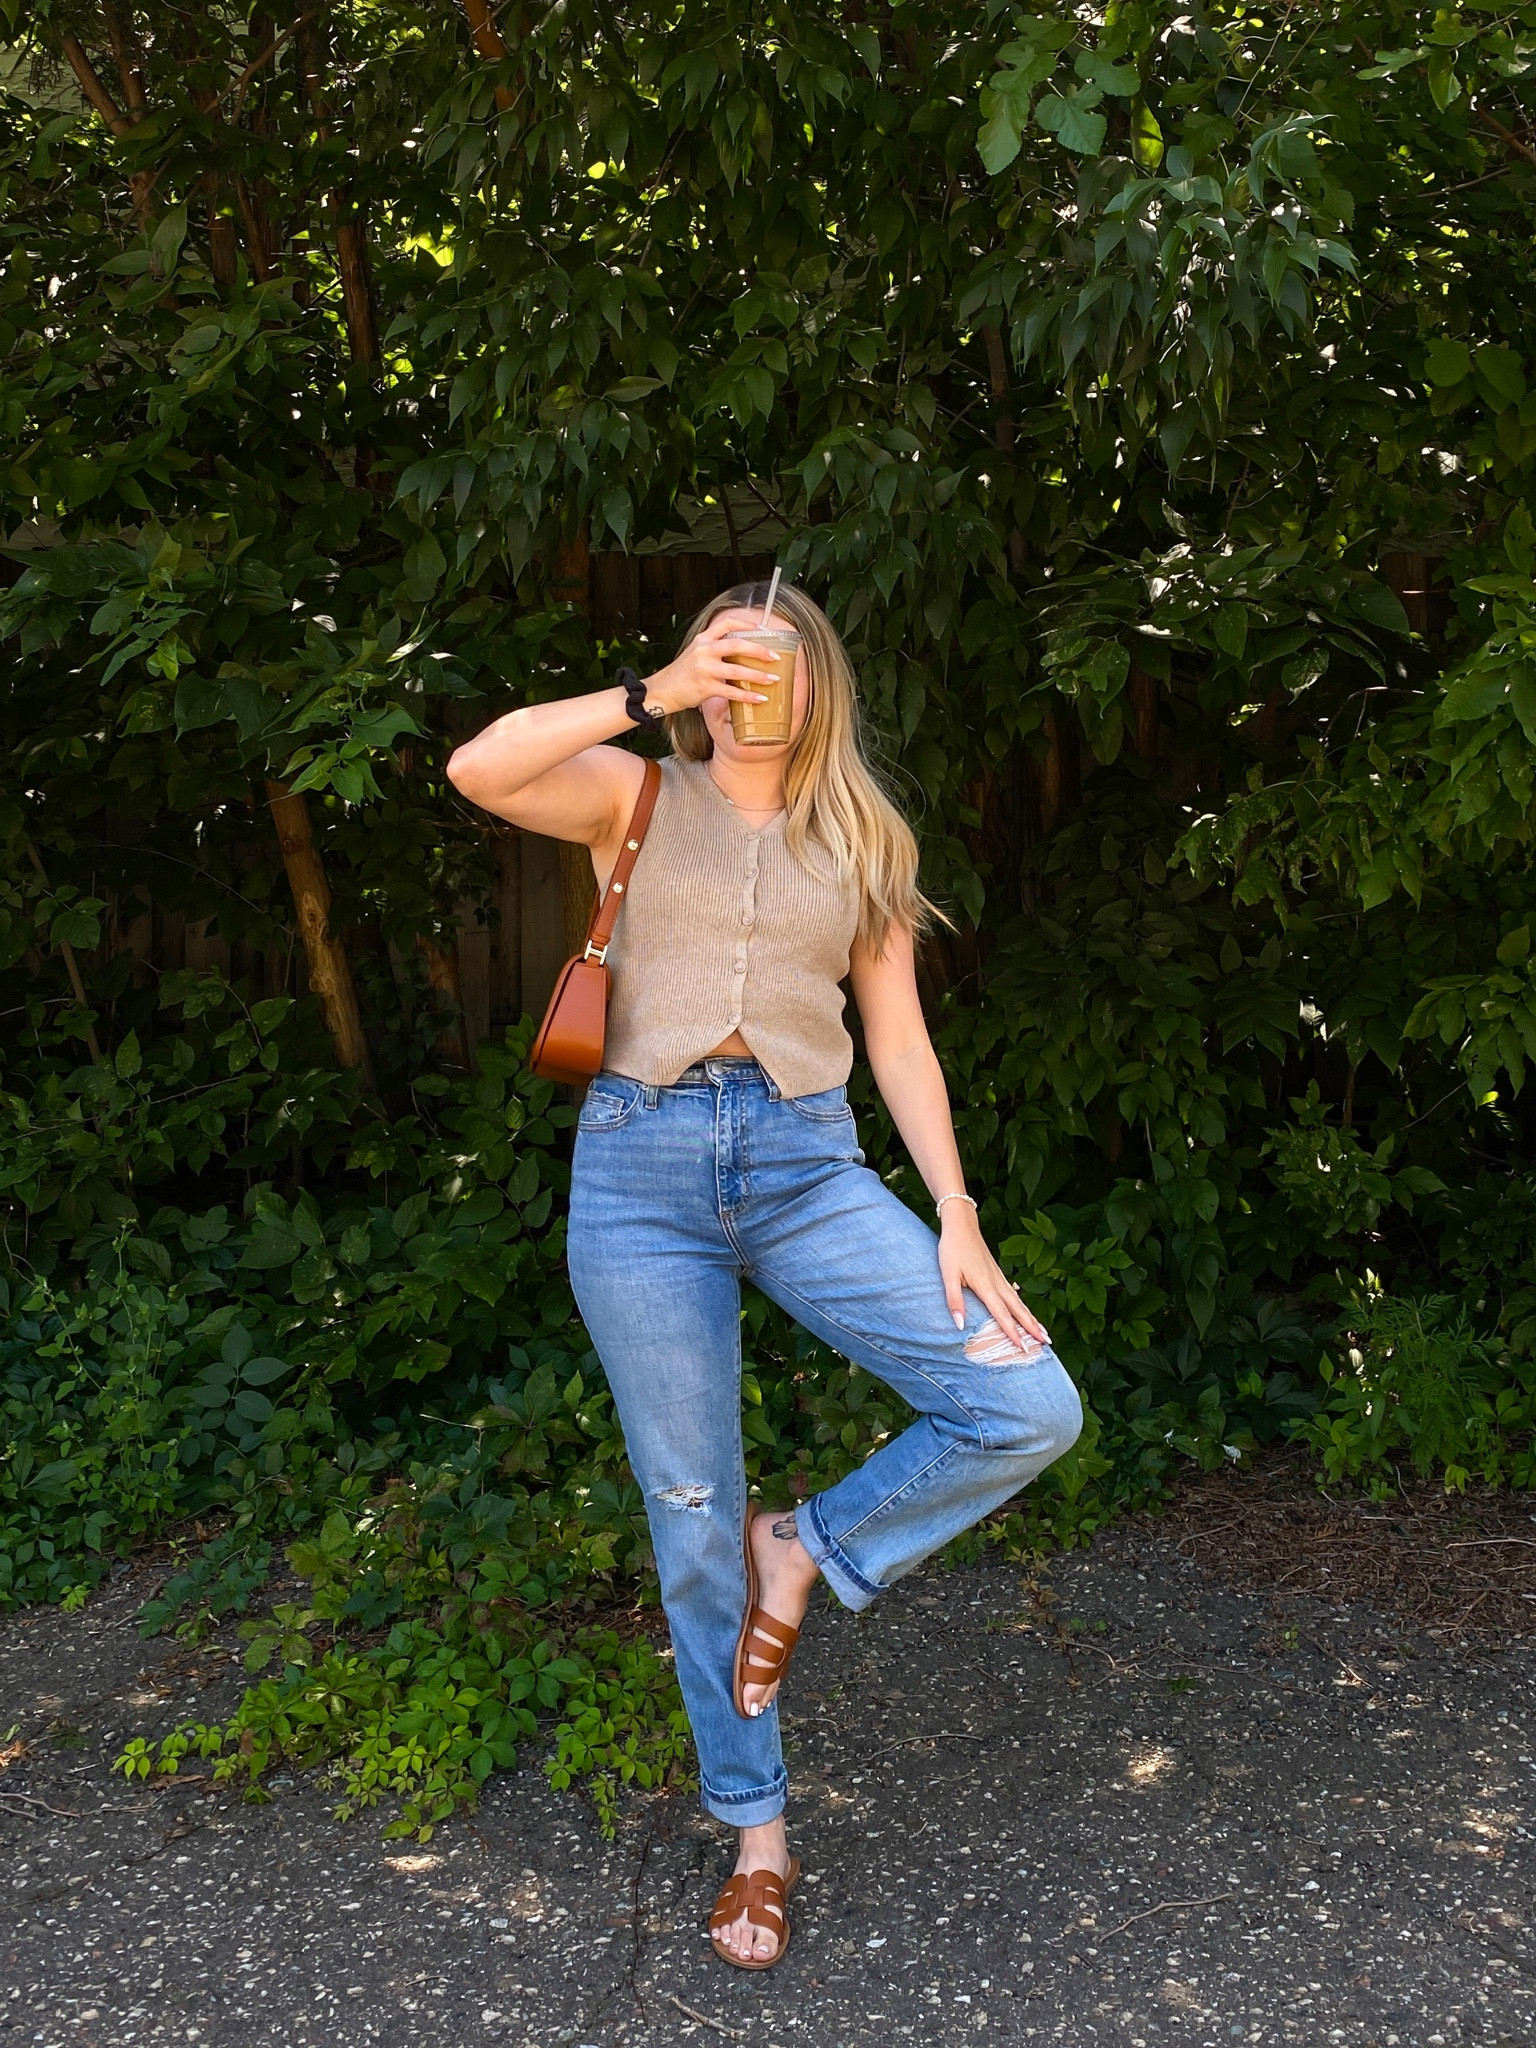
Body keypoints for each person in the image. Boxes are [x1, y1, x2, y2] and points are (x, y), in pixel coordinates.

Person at [446, 580, 1082, 1970]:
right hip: (638, 1172)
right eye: (725, 661)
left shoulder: (863, 835)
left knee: (1026, 1402)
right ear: (701, 672)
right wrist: (651, 690)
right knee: (688, 1518)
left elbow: (900, 1042)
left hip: (807, 1166)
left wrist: (959, 1214)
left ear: (818, 683)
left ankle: (806, 1548)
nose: (747, 683)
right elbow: (477, 765)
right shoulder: (635, 792)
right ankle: (758, 1837)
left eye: (770, 660)